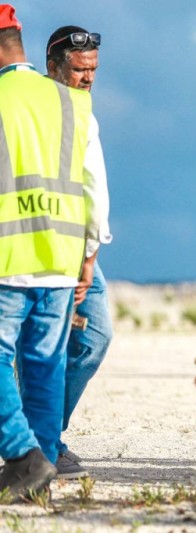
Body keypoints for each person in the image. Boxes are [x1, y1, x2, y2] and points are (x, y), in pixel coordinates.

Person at [0, 4, 100, 500]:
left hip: (8, 254)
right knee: (45, 366)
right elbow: (88, 183)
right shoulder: (67, 101)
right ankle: (36, 483)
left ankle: (23, 454)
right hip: (59, 256)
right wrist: (87, 253)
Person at [45, 24, 112, 480]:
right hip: (43, 248)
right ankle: (40, 443)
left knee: (94, 338)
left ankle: (45, 436)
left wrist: (90, 253)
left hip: (83, 246)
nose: (87, 78)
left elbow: (94, 190)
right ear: (53, 67)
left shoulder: (85, 114)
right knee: (39, 349)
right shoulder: (29, 111)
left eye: (93, 71)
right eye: (78, 70)